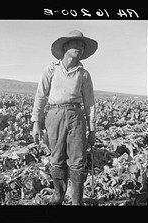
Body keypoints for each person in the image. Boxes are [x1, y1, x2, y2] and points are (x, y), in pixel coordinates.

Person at [31, 30, 98, 205]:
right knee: (57, 158)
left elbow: (90, 103)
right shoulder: (50, 69)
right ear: (66, 46)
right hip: (54, 115)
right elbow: (40, 96)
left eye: (82, 45)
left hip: (76, 116)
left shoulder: (84, 74)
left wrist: (92, 130)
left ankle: (77, 201)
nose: (80, 48)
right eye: (76, 44)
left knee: (77, 161)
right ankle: (58, 197)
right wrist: (36, 123)